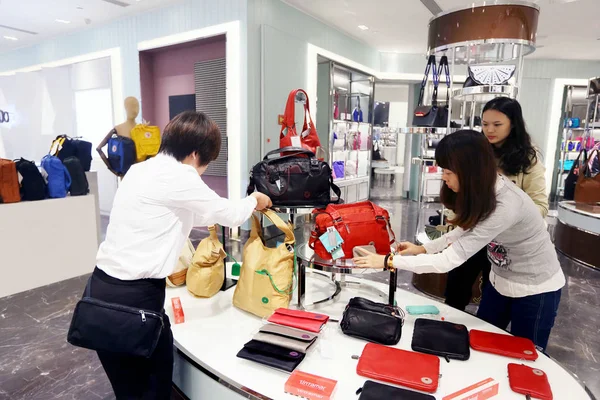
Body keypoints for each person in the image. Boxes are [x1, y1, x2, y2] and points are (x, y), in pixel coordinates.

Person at [89, 111, 272, 399]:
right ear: (195, 154)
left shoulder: (140, 169)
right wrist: (254, 200)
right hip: (135, 300)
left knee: (127, 386)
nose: (203, 171)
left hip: (99, 290)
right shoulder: (181, 176)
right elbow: (230, 215)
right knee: (151, 387)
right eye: (206, 163)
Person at [354, 130, 564, 351]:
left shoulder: (506, 206)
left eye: (448, 171)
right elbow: (465, 230)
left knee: (527, 356)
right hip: (499, 281)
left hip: (535, 289)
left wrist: (388, 261)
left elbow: (447, 262)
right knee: (484, 345)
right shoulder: (486, 190)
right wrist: (422, 248)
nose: (444, 177)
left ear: (469, 170)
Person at [444, 97, 548, 311]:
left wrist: (507, 218)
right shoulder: (474, 152)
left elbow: (540, 205)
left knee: (493, 298)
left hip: (504, 243)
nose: (489, 130)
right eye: (484, 124)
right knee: (456, 289)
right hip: (472, 231)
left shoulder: (528, 160)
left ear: (513, 124)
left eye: (497, 124)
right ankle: (449, 330)